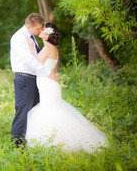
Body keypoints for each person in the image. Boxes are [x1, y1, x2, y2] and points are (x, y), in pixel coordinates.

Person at [25, 22, 108, 153]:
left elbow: (34, 65)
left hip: (47, 84)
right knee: (52, 110)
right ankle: (56, 139)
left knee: (50, 112)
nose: (41, 30)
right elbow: (47, 66)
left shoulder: (47, 49)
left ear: (47, 36)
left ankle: (56, 141)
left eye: (44, 30)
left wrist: (30, 48)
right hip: (48, 83)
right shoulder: (51, 48)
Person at [10, 13, 54, 148]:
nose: (40, 31)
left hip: (34, 79)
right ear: (29, 27)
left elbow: (36, 57)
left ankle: (32, 143)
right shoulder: (19, 37)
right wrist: (46, 72)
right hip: (24, 79)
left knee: (34, 112)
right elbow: (28, 60)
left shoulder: (31, 37)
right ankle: (17, 146)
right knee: (23, 113)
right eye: (38, 29)